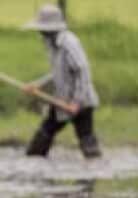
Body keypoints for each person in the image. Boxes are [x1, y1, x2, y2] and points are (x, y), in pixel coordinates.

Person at [21, 4, 102, 160]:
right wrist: (37, 84)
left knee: (87, 142)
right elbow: (59, 74)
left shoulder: (69, 43)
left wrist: (76, 102)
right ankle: (34, 167)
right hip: (62, 100)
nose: (40, 32)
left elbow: (82, 71)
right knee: (43, 136)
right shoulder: (52, 44)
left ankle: (94, 173)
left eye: (42, 28)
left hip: (82, 102)